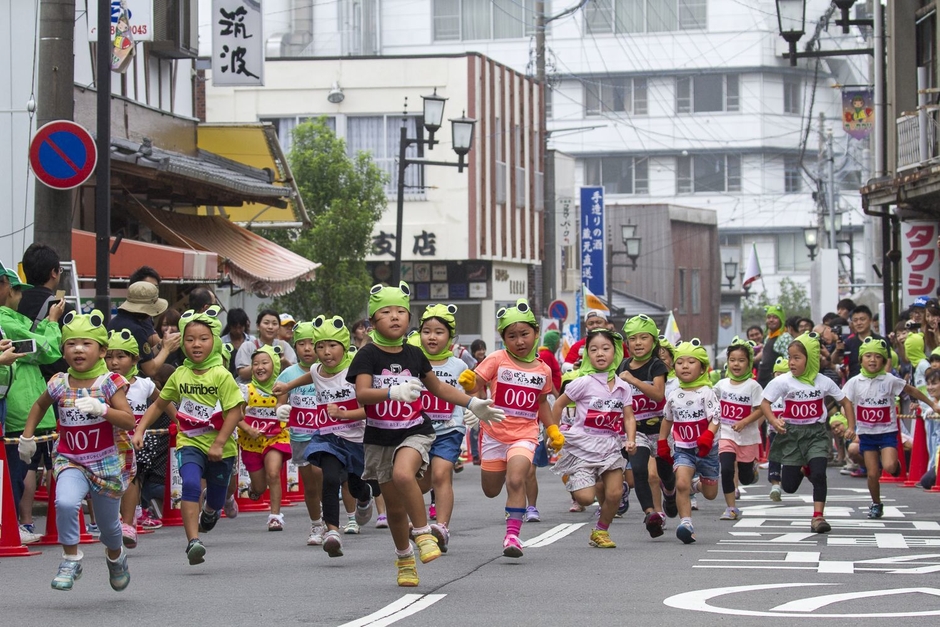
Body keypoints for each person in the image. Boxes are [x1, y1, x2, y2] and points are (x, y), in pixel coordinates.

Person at [346, 283, 504, 586]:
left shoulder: (415, 354)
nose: (395, 317)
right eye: (386, 311)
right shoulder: (366, 355)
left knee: (405, 474)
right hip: (380, 439)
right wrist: (392, 391)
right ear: (372, 321)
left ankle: (422, 532)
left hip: (414, 432)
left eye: (401, 311)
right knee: (393, 508)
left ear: (409, 318)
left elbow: (440, 388)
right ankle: (405, 558)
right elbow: (363, 395)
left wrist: (474, 403)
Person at [18, 310, 135, 591]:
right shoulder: (59, 382)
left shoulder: (109, 383)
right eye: (71, 344)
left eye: (86, 344)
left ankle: (116, 557)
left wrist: (103, 409)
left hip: (105, 463)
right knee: (66, 503)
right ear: (64, 350)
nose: (78, 350)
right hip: (70, 459)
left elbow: (129, 419)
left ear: (102, 350)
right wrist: (27, 436)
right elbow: (39, 405)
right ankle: (71, 558)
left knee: (108, 529)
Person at [133, 307, 245, 565]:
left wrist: (219, 443)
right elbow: (159, 404)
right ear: (182, 342)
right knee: (191, 486)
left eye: (203, 339)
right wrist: (140, 429)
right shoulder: (180, 374)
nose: (196, 344)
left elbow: (235, 413)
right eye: (190, 339)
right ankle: (193, 542)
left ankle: (210, 510)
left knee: (215, 500)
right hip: (190, 442)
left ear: (215, 342)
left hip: (221, 448)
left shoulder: (221, 375)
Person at [460, 299, 559, 556]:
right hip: (494, 433)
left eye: (524, 334)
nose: (519, 341)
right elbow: (474, 386)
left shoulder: (543, 370)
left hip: (525, 434)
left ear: (536, 333)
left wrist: (552, 430)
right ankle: (510, 500)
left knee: (516, 479)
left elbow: (542, 403)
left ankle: (512, 536)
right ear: (504, 338)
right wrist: (469, 381)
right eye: (512, 336)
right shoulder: (496, 359)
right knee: (491, 490)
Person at [275, 316, 372, 556]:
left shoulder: (356, 371)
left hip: (357, 440)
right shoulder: (317, 369)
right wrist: (287, 387)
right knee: (329, 478)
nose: (326, 352)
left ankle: (365, 497)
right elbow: (312, 375)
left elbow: (370, 410)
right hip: (328, 437)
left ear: (343, 345)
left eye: (332, 346)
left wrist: (343, 413)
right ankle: (332, 532)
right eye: (321, 346)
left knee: (357, 486)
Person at [761, 333, 856, 533]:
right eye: (790, 357)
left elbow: (845, 402)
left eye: (797, 358)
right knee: (789, 486)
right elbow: (765, 403)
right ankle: (804, 469)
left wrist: (851, 427)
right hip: (792, 435)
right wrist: (773, 420)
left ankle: (818, 517)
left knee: (820, 474)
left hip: (816, 433)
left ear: (811, 359)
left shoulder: (823, 382)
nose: (791, 362)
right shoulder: (783, 381)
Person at [551, 329, 635, 548]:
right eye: (594, 349)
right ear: (587, 354)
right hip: (583, 447)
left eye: (606, 349)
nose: (600, 353)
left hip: (610, 446)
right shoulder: (583, 382)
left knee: (615, 493)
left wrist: (631, 439)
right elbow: (558, 405)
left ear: (615, 352)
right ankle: (572, 477)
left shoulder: (623, 387)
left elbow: (628, 417)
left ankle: (601, 531)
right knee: (586, 499)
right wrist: (554, 431)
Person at [0, 264, 65, 543]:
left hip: (24, 403)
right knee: (16, 467)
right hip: (19, 406)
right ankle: (12, 526)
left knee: (24, 466)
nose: (19, 298)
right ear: (6, 288)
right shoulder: (8, 321)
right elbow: (47, 349)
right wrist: (52, 323)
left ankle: (16, 525)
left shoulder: (12, 320)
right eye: (17, 291)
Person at [842, 338, 940, 518]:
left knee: (889, 466)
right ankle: (876, 503)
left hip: (887, 432)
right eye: (868, 356)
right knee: (872, 474)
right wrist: (850, 425)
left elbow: (913, 391)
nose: (872, 360)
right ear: (861, 359)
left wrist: (931, 405)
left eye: (878, 356)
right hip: (866, 434)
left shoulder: (889, 380)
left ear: (884, 360)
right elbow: (845, 403)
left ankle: (895, 466)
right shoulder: (855, 382)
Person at [410, 305, 470, 553]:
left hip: (449, 429)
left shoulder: (458, 365)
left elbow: (472, 389)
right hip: (418, 430)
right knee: (419, 483)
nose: (432, 337)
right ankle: (415, 522)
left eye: (439, 332)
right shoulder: (411, 361)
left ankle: (442, 527)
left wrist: (472, 409)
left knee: (441, 474)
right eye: (426, 331)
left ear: (450, 337)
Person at [617, 315, 675, 538]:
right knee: (639, 469)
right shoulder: (623, 365)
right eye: (633, 339)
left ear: (653, 341)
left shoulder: (656, 365)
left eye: (644, 338)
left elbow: (658, 395)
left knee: (665, 474)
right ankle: (651, 514)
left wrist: (634, 381)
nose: (638, 343)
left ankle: (669, 493)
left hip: (660, 429)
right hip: (637, 429)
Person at [659, 339, 721, 544]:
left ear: (702, 367)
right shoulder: (673, 395)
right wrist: (662, 443)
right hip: (683, 449)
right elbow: (667, 420)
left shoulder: (706, 392)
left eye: (691, 362)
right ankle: (686, 524)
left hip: (707, 450)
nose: (685, 366)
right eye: (680, 362)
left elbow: (716, 419)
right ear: (674, 368)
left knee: (711, 493)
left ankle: (699, 485)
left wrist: (708, 435)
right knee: (681, 484)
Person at [272, 320, 326, 546]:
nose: (306, 348)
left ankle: (330, 523)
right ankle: (316, 524)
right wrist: (281, 410)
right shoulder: (288, 374)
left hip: (325, 434)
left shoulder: (328, 371)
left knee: (321, 474)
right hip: (300, 436)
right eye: (301, 344)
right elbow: (280, 403)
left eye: (311, 343)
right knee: (310, 485)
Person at [237, 345, 292, 531]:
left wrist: (281, 411)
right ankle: (254, 488)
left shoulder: (280, 389)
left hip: (275, 437)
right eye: (255, 364)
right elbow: (236, 415)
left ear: (274, 365)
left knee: (273, 473)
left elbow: (280, 407)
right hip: (251, 441)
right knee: (260, 488)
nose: (260, 367)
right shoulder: (245, 390)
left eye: (264, 363)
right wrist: (248, 429)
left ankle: (275, 516)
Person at [713, 337, 764, 520]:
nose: (736, 364)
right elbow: (712, 404)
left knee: (745, 477)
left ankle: (752, 470)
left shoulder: (753, 386)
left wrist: (744, 422)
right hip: (725, 433)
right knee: (726, 468)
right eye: (732, 360)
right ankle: (731, 508)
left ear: (749, 363)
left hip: (747, 437)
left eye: (741, 360)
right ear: (727, 362)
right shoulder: (721, 385)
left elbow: (760, 410)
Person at [18, 244, 74, 379]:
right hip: (53, 383)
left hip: (20, 380)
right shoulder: (63, 308)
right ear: (53, 273)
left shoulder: (13, 304)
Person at [108, 281, 180, 379]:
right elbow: (150, 369)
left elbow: (144, 357)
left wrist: (161, 344)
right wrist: (166, 348)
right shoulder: (136, 329)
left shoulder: (115, 322)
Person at [235, 309, 296, 381]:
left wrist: (285, 363)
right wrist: (262, 364)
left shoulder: (284, 346)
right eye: (266, 323)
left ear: (278, 328)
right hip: (251, 390)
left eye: (274, 324)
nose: (270, 327)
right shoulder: (248, 346)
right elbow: (242, 373)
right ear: (258, 326)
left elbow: (294, 372)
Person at [766, 356, 789, 500]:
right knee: (774, 459)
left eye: (783, 374)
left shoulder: (792, 391)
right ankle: (775, 485)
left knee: (789, 461)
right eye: (777, 374)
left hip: (791, 434)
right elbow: (762, 409)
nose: (779, 377)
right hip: (774, 432)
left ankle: (788, 479)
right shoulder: (769, 392)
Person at [843, 305, 884, 381]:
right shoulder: (848, 342)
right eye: (855, 320)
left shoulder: (881, 341)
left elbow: (887, 363)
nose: (858, 323)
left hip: (877, 382)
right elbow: (839, 362)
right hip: (855, 384)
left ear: (870, 320)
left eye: (862, 319)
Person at [756, 305, 792, 388]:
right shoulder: (768, 337)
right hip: (764, 382)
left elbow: (788, 361)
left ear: (781, 320)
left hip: (776, 383)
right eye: (768, 317)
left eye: (775, 317)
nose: (771, 320)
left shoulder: (785, 337)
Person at [539, 330, 562, 394]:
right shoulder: (546, 355)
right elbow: (547, 377)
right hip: (549, 395)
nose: (559, 345)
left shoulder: (549, 354)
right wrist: (556, 395)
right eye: (558, 342)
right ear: (553, 342)